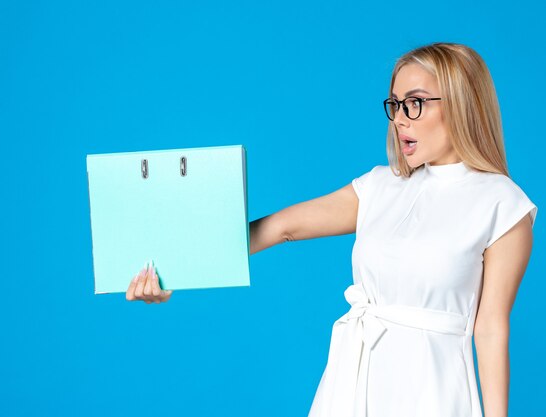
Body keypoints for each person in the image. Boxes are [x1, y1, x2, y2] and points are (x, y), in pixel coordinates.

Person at [125, 42, 538, 417]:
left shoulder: (502, 204)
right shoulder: (379, 186)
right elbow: (279, 228)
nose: (400, 120)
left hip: (434, 389)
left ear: (463, 103)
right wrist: (168, 269)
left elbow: (490, 326)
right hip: (352, 382)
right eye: (394, 105)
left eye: (415, 103)